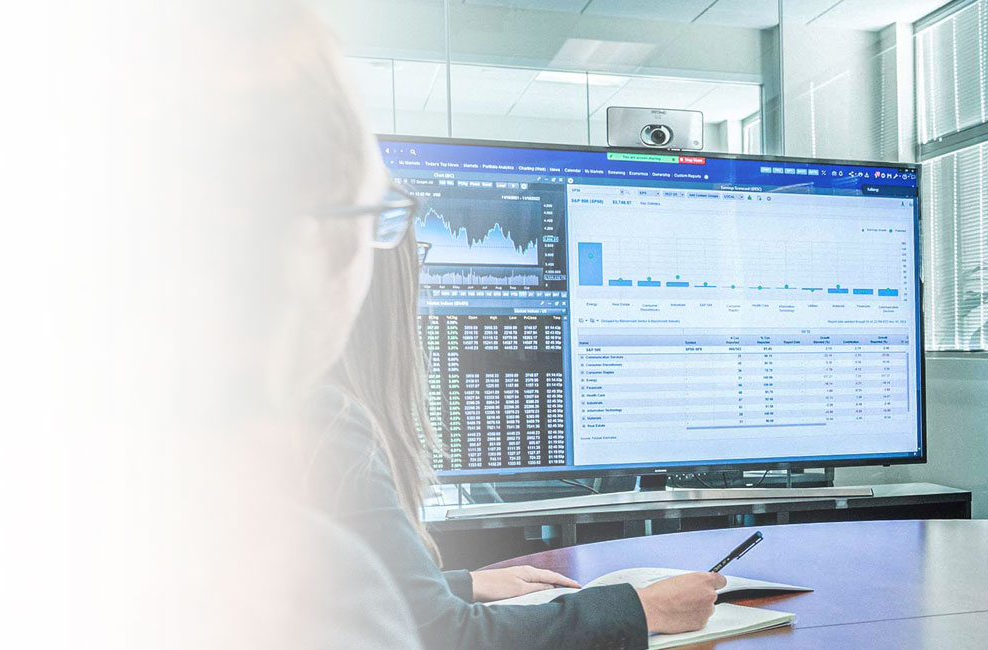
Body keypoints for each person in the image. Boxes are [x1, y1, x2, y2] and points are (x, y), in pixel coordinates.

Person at [309, 183, 726, 649]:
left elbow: (321, 593)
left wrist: (460, 586)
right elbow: (449, 638)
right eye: (415, 259)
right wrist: (644, 610)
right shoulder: (327, 422)